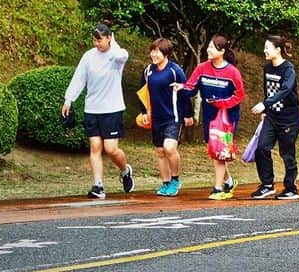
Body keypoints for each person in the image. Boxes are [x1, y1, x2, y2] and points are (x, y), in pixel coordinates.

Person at [62, 21, 134, 199]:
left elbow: (122, 56)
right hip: (92, 108)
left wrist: (113, 43)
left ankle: (125, 170)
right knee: (95, 146)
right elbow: (79, 78)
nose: (97, 43)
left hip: (112, 108)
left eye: (100, 40)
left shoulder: (117, 56)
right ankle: (98, 185)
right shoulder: (88, 56)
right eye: (94, 40)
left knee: (111, 149)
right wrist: (69, 99)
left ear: (109, 38)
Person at [174, 35, 245, 200]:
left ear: (221, 51)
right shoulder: (202, 68)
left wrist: (222, 103)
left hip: (227, 119)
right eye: (208, 47)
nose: (208, 50)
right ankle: (228, 181)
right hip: (209, 116)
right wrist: (181, 87)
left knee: (219, 151)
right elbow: (191, 87)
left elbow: (239, 95)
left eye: (212, 48)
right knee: (215, 150)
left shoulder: (232, 72)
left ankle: (218, 188)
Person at [250, 35, 299, 200]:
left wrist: (265, 104)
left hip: (289, 118)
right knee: (262, 148)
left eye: (267, 48)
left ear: (278, 50)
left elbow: (286, 89)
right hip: (271, 116)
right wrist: (267, 110)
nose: (264, 51)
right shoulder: (267, 68)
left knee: (287, 153)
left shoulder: (288, 69)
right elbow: (268, 89)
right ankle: (267, 185)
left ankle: (290, 188)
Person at [139, 38, 193, 197]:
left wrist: (188, 114)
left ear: (166, 53)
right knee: (160, 151)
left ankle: (175, 179)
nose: (153, 54)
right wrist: (143, 112)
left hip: (173, 117)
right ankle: (166, 182)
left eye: (157, 51)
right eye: (152, 51)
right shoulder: (148, 70)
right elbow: (143, 92)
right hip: (156, 118)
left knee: (169, 147)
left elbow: (185, 92)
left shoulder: (175, 71)